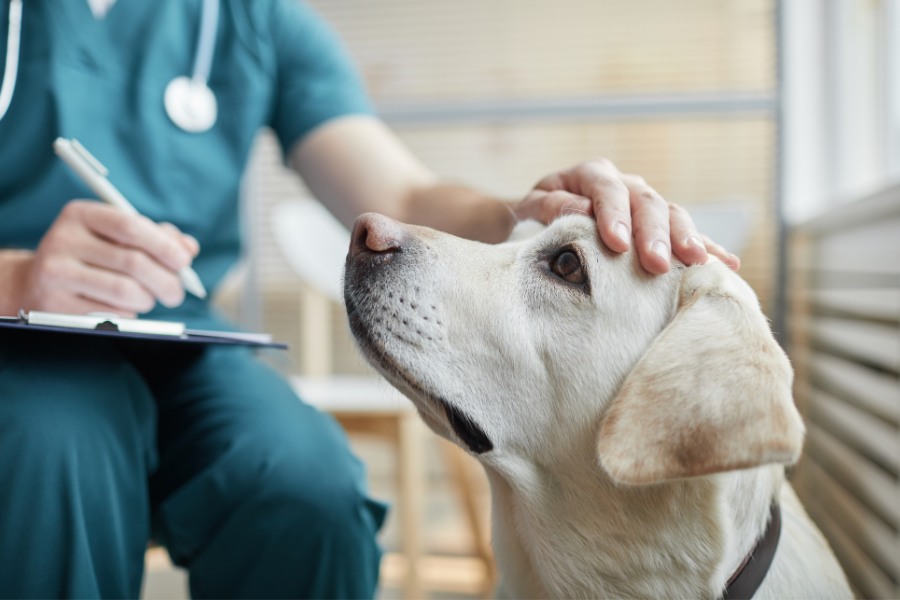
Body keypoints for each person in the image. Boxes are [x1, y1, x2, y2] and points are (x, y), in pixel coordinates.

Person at [0, 1, 738, 598]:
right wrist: (17, 277)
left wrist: (528, 212)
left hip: (185, 340)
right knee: (48, 451)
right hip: (16, 343)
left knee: (308, 487)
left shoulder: (252, 20)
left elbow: (404, 194)